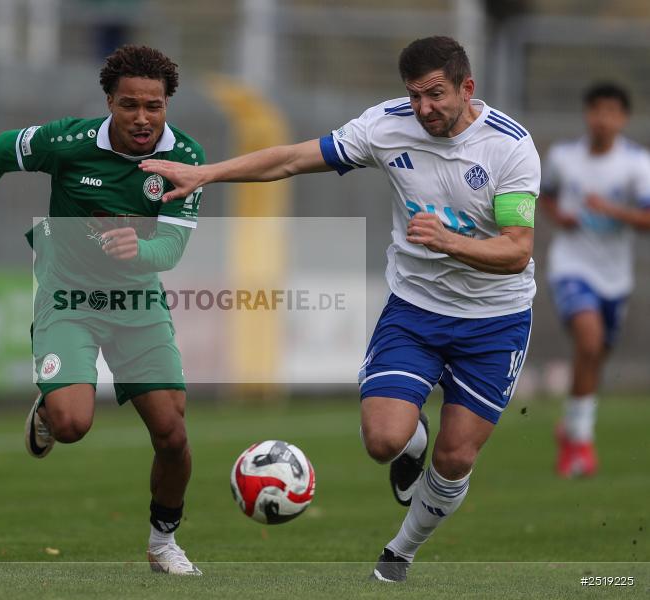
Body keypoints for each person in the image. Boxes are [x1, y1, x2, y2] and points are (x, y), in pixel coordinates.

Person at [141, 36, 539, 582]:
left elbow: (517, 250)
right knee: (383, 441)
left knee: (455, 460)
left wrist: (451, 242)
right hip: (417, 309)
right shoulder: (385, 126)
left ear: (467, 88)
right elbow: (290, 160)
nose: (424, 109)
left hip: (496, 322)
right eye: (414, 96)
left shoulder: (510, 148)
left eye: (436, 95)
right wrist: (206, 174)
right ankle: (410, 440)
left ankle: (399, 551)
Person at [0, 45, 205, 575]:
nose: (142, 117)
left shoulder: (187, 160)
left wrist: (140, 250)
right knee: (71, 425)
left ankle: (162, 544)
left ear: (167, 105)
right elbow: (1, 150)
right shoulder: (69, 142)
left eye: (153, 106)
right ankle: (47, 412)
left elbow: (172, 249)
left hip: (137, 303)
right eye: (129, 104)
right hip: (69, 298)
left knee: (172, 434)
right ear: (109, 101)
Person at [540, 83, 650, 478]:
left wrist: (612, 210)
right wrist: (559, 215)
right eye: (596, 110)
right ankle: (580, 445)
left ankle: (569, 427)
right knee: (588, 340)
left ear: (623, 118)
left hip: (614, 277)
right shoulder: (564, 157)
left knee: (595, 356)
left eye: (611, 112)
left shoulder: (637, 165)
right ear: (587, 114)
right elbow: (545, 195)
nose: (602, 119)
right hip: (571, 267)